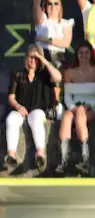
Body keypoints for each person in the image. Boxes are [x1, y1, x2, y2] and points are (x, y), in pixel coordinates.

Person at [5, 45, 61, 175]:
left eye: (36, 58)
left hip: (38, 110)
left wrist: (43, 59)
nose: (33, 60)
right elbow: (11, 98)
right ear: (26, 58)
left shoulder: (44, 75)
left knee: (35, 118)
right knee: (11, 119)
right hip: (21, 110)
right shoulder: (18, 74)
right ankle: (11, 155)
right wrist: (18, 107)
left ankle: (40, 154)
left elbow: (58, 78)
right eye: (31, 57)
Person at [55, 42, 95, 176]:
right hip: (75, 106)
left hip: (94, 107)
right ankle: (63, 160)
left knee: (80, 115)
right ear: (77, 55)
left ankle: (85, 160)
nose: (83, 55)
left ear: (91, 54)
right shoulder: (70, 73)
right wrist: (73, 108)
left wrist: (88, 106)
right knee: (66, 116)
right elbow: (67, 97)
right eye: (81, 52)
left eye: (86, 52)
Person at [33, 0, 74, 68]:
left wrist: (45, 39)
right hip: (41, 55)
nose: (53, 6)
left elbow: (66, 43)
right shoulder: (42, 20)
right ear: (46, 6)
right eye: (49, 4)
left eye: (56, 3)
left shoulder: (66, 23)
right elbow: (36, 5)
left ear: (60, 6)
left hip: (58, 58)